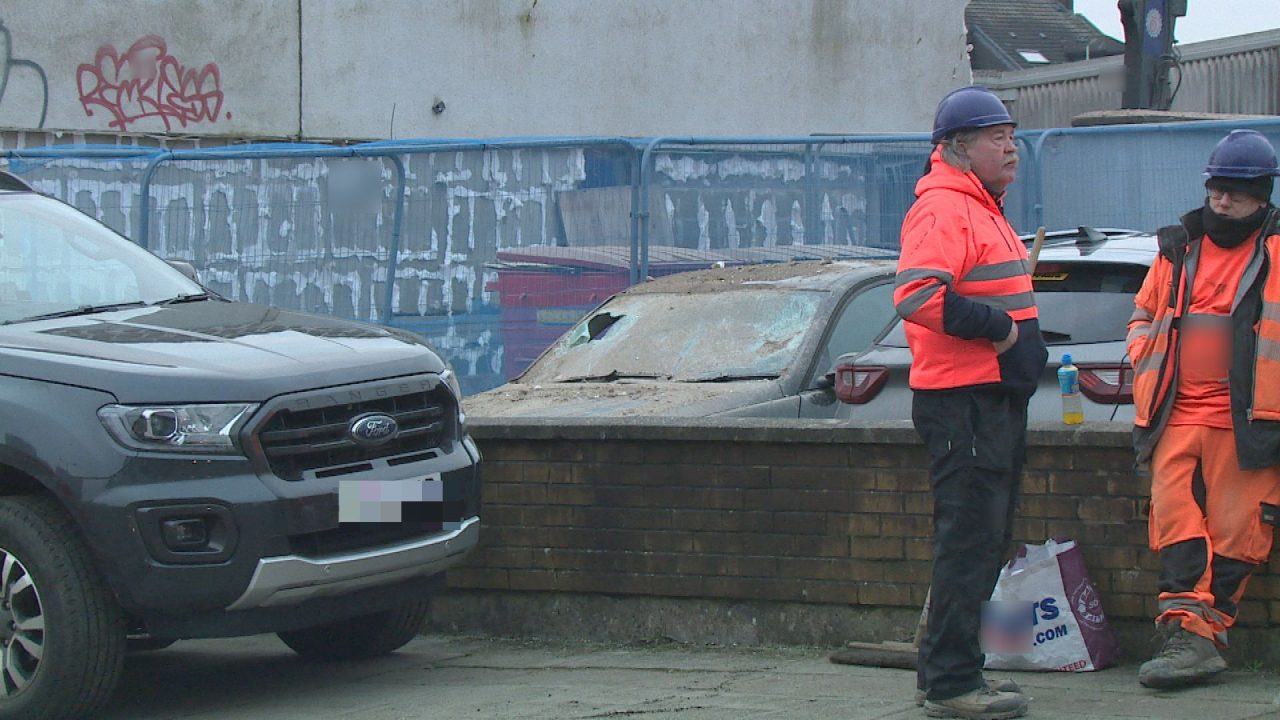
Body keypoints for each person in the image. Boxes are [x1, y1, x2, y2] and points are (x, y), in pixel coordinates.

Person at [894, 86, 1046, 719]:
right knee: (969, 542)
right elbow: (917, 296)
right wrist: (1004, 331)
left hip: (987, 403)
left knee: (984, 541)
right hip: (964, 404)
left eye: (1011, 135)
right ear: (954, 148)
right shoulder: (945, 210)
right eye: (995, 137)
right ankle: (953, 685)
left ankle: (958, 674)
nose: (1011, 146)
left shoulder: (982, 207)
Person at [1128, 129, 1280, 689]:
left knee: (1239, 533)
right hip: (1177, 414)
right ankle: (1187, 633)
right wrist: (1145, 356)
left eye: (1235, 193)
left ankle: (1201, 639)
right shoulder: (1177, 248)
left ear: (1261, 196)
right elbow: (1142, 315)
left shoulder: (1278, 250)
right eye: (1216, 189)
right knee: (1176, 522)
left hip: (1251, 422)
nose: (1221, 201)